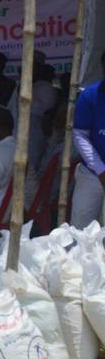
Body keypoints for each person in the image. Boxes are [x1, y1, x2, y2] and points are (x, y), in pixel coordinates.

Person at [71, 51, 105, 228]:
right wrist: (100, 169)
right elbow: (80, 135)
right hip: (92, 173)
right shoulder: (90, 96)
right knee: (80, 229)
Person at [25, 105, 69, 208]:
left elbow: (43, 171)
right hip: (43, 189)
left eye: (58, 120)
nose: (54, 123)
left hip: (45, 194)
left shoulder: (64, 148)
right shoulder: (56, 141)